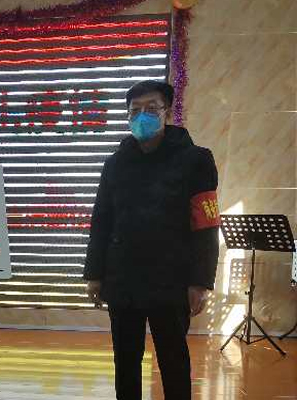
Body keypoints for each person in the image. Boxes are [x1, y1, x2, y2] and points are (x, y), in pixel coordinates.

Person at [83, 80, 220, 400]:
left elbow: (206, 223)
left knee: (173, 360)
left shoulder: (196, 160)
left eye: (151, 108)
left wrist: (200, 281)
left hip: (171, 279)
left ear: (167, 112)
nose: (142, 116)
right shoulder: (115, 163)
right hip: (123, 277)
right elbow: (101, 219)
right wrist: (94, 273)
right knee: (125, 360)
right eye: (135, 111)